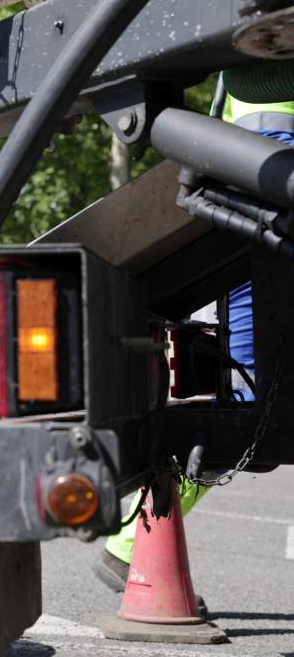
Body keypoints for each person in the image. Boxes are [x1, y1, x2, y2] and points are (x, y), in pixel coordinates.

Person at [95, 82, 288, 592]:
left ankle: (128, 546)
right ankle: (130, 545)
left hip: (256, 183)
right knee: (253, 411)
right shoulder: (263, 61)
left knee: (254, 408)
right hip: (265, 185)